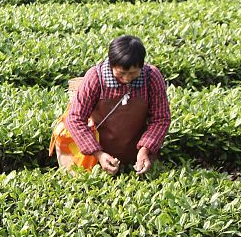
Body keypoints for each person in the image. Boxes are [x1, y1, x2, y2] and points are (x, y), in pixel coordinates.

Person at [62, 35, 170, 174]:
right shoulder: (95, 77)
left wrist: (145, 149)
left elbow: (161, 119)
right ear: (112, 64)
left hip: (136, 151)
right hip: (98, 151)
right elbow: (75, 118)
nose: (126, 78)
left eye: (132, 73)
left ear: (141, 65)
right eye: (121, 73)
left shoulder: (152, 76)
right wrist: (97, 153)